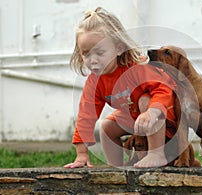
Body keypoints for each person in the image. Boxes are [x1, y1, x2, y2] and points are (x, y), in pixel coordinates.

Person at [64, 6, 178, 168]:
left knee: (145, 100)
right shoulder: (95, 81)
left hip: (166, 115)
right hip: (135, 117)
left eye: (100, 53)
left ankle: (156, 154)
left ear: (118, 48)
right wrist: (81, 154)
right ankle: (116, 168)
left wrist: (153, 112)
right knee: (106, 127)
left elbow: (164, 89)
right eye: (86, 54)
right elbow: (86, 116)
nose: (92, 60)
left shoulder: (137, 67)